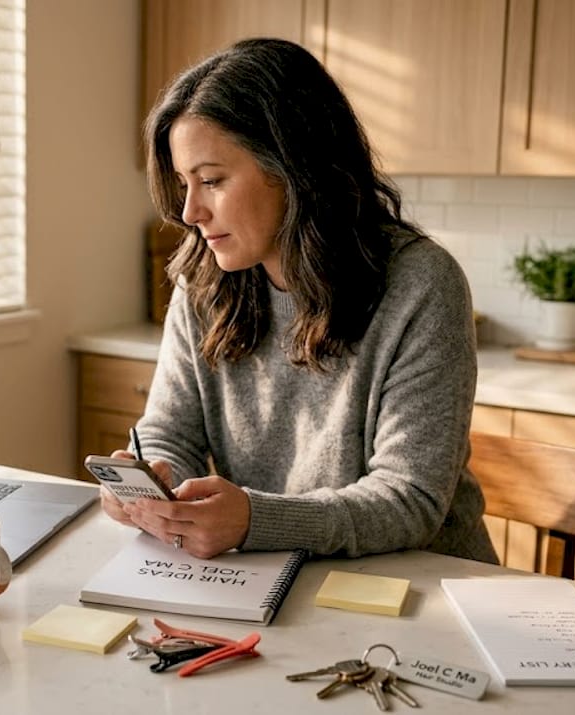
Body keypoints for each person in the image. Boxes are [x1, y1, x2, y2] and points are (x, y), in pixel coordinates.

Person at [104, 38, 498, 565]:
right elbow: (168, 431)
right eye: (184, 183)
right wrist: (152, 481)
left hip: (421, 585)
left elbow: (410, 499)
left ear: (294, 166)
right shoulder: (202, 278)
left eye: (212, 180)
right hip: (273, 571)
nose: (191, 211)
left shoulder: (421, 283)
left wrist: (253, 520)